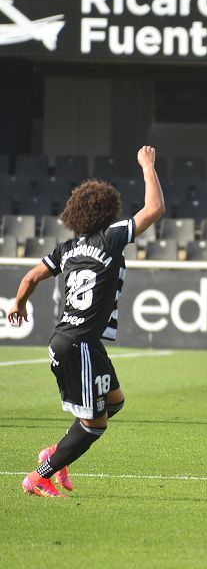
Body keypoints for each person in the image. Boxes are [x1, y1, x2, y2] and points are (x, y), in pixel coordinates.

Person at [7, 146, 165, 497]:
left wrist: (18, 304)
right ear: (109, 211)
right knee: (95, 425)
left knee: (115, 402)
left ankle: (56, 454)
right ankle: (40, 474)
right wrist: (147, 165)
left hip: (80, 342)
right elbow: (155, 209)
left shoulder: (67, 248)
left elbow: (31, 278)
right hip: (77, 343)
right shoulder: (109, 239)